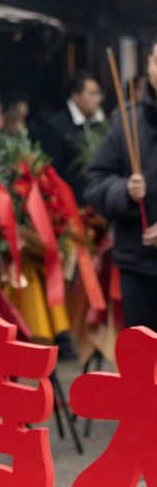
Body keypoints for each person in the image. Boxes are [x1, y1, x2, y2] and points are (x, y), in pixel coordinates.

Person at [85, 40, 157, 331]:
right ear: (149, 66)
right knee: (142, 360)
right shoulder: (126, 122)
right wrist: (124, 190)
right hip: (138, 264)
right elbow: (94, 183)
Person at [42, 71, 105, 205]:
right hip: (71, 202)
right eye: (92, 94)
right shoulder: (56, 126)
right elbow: (54, 172)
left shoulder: (102, 125)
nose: (98, 99)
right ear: (76, 97)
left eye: (99, 94)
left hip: (98, 200)